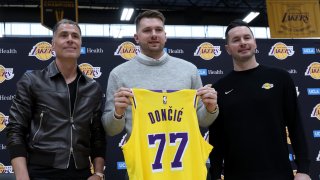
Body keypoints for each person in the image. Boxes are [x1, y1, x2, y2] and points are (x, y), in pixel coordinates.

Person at [102, 10, 218, 179]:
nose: (154, 34)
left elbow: (203, 120)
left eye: (158, 30)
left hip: (187, 170)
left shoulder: (189, 70)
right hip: (144, 170)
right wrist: (118, 113)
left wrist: (211, 108)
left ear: (165, 35)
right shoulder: (119, 74)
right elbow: (110, 130)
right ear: (136, 37)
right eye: (147, 30)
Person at [209, 19, 310, 180]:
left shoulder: (280, 78)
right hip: (236, 175)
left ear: (255, 43)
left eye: (247, 38)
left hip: (279, 173)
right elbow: (216, 138)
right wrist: (214, 175)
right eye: (236, 40)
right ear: (228, 49)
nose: (243, 43)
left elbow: (295, 125)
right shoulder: (219, 88)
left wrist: (304, 169)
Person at [6, 19, 106, 180]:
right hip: (41, 172)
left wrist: (99, 173)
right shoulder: (32, 80)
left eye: (75, 36)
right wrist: (22, 176)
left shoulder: (92, 87)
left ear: (80, 44)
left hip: (81, 172)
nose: (70, 39)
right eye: (63, 35)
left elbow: (98, 136)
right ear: (52, 45)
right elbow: (15, 129)